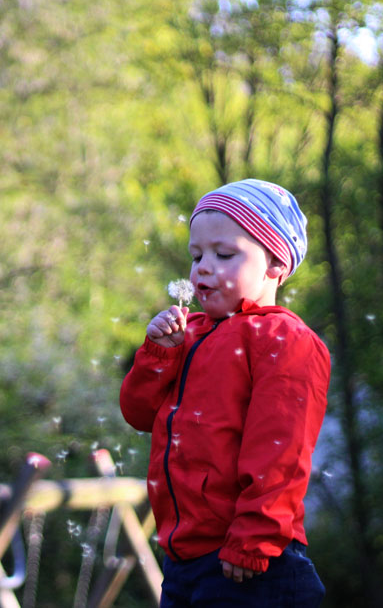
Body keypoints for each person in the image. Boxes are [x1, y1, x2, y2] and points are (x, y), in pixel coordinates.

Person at [119, 179, 330, 607]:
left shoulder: (283, 338)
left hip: (252, 561)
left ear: (275, 262)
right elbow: (139, 413)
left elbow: (281, 450)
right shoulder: (188, 335)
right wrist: (159, 353)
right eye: (197, 256)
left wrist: (254, 538)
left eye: (225, 254)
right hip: (185, 560)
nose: (203, 267)